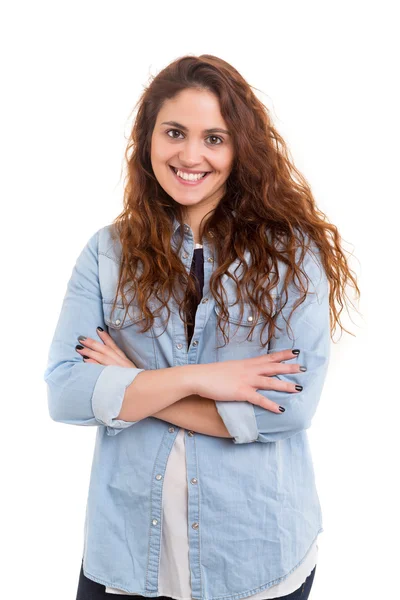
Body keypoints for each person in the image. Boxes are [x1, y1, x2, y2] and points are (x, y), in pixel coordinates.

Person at [44, 54, 360, 600]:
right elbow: (66, 395)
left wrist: (134, 387)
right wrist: (203, 380)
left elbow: (291, 409)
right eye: (174, 133)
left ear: (241, 147)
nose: (191, 156)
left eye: (214, 138)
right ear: (148, 140)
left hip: (255, 555)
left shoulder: (291, 255)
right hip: (124, 556)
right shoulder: (107, 251)